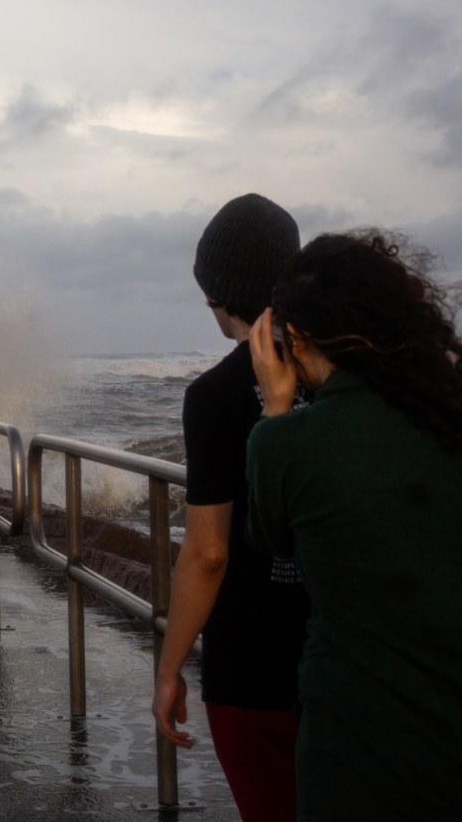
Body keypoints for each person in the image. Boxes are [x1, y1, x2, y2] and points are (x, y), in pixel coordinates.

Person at [247, 230, 462, 821]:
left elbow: (271, 537)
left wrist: (276, 407)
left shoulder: (288, 442)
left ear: (291, 341)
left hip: (368, 763)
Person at [153, 193, 311, 822]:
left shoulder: (215, 396)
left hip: (253, 665)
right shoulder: (350, 381)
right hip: (354, 658)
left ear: (219, 295)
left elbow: (208, 553)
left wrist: (168, 669)